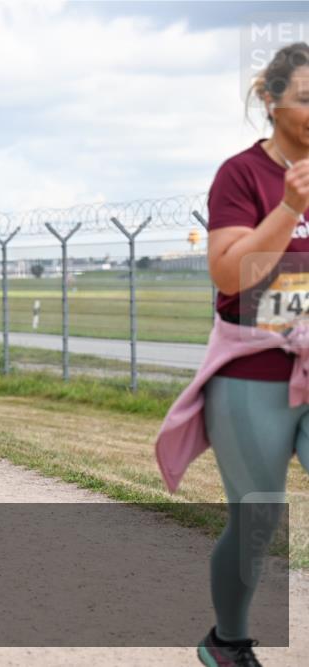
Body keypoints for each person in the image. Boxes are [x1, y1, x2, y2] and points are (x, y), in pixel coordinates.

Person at [183, 43, 309, 667]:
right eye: (306, 97)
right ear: (271, 99)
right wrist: (290, 207)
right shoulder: (241, 175)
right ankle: (226, 642)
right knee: (257, 522)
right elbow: (231, 274)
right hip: (252, 369)